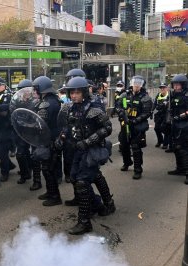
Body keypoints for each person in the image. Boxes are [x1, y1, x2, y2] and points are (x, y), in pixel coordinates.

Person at [62, 77, 113, 234]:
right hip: (78, 149)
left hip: (92, 149)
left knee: (82, 183)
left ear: (84, 92)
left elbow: (107, 128)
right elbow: (69, 127)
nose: (73, 96)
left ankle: (84, 222)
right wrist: (62, 138)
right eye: (71, 92)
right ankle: (106, 203)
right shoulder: (70, 107)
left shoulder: (95, 108)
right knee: (85, 176)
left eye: (77, 92)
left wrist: (89, 141)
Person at [31, 76, 62, 206]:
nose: (33, 91)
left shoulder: (46, 104)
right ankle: (50, 192)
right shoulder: (55, 100)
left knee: (49, 169)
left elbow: (41, 123)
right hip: (54, 139)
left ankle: (55, 196)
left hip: (49, 140)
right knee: (48, 168)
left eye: (35, 89)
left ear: (41, 89)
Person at [117, 75, 152, 180]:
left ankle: (138, 169)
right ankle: (127, 163)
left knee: (136, 147)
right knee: (123, 145)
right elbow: (118, 107)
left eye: (138, 84)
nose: (136, 86)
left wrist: (135, 120)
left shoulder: (145, 97)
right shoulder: (124, 95)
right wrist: (121, 113)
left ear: (141, 85)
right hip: (125, 124)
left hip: (137, 125)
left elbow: (147, 113)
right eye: (134, 83)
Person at [10, 80, 42, 191]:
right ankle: (25, 173)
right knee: (20, 154)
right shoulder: (16, 100)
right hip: (21, 130)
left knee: (35, 155)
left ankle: (37, 180)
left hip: (33, 131)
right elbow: (12, 113)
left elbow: (39, 117)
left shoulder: (37, 101)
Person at [167, 74, 188, 185]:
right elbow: (171, 108)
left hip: (185, 125)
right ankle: (180, 168)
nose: (175, 86)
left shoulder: (186, 96)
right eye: (174, 84)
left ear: (183, 85)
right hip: (175, 125)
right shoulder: (173, 95)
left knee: (184, 149)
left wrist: (181, 116)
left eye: (177, 84)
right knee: (176, 147)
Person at [153, 83, 170, 149]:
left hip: (166, 114)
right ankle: (160, 141)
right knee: (156, 128)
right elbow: (154, 104)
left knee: (165, 128)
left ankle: (165, 143)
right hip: (159, 114)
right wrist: (151, 111)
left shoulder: (169, 95)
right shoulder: (158, 95)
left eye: (164, 87)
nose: (162, 89)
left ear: (167, 88)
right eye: (161, 88)